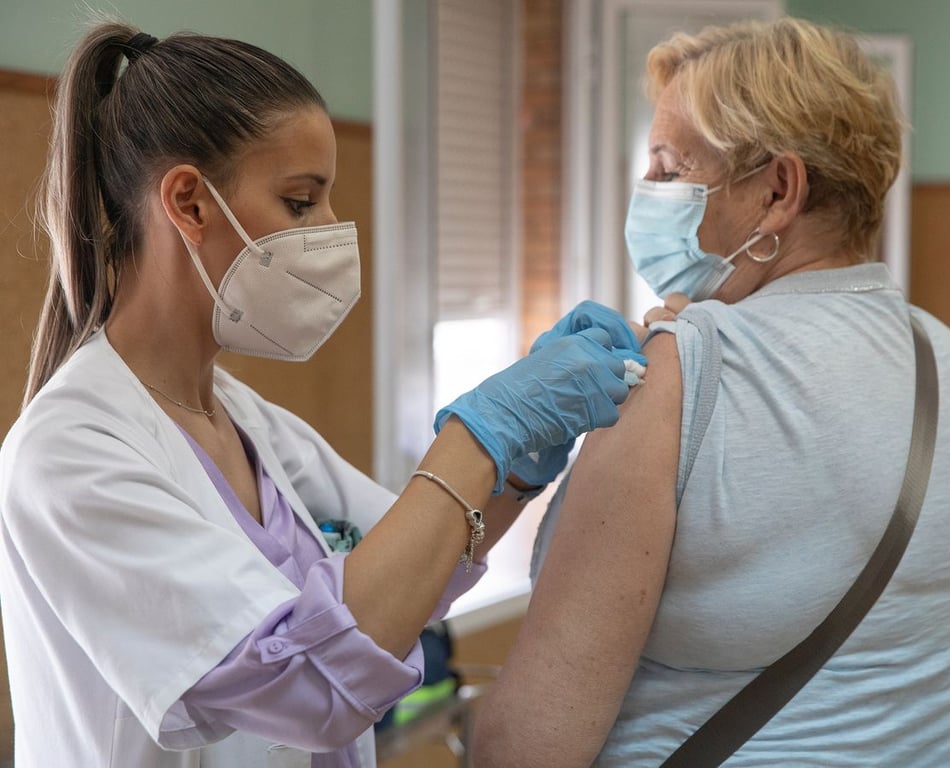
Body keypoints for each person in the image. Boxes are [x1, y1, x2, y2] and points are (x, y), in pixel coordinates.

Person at [0, 22, 646, 768]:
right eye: (301, 203)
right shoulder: (70, 454)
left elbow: (405, 583)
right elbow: (309, 685)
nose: (334, 231)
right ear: (189, 202)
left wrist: (519, 466)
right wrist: (482, 433)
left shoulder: (244, 420)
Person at [474, 17, 950, 767]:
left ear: (777, 191)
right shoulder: (946, 355)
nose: (650, 192)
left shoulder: (678, 375)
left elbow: (530, 747)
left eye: (668, 168)